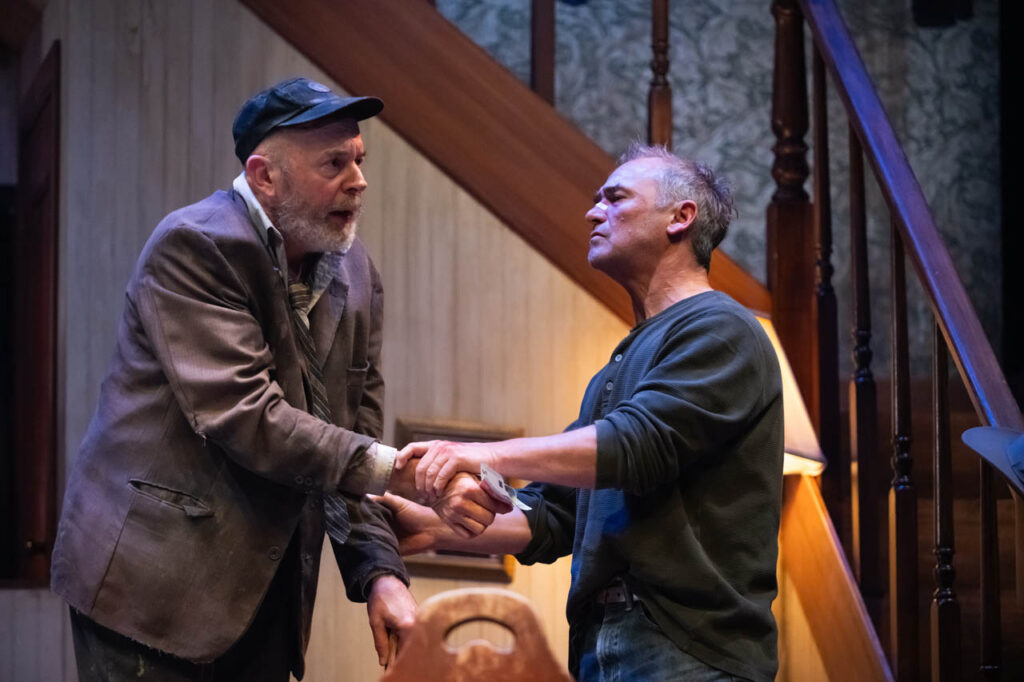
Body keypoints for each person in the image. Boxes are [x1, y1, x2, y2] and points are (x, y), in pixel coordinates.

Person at [50, 77, 502, 681]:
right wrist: (410, 471)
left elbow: (352, 438)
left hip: (268, 591)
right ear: (265, 176)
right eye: (334, 163)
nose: (359, 180)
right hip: (153, 589)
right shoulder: (197, 244)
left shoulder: (356, 269)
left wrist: (380, 572)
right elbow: (247, 417)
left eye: (360, 160)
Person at [382, 144, 784, 681]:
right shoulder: (618, 366)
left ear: (681, 217)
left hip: (692, 648)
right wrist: (436, 528)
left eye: (615, 198)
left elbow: (635, 445)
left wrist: (477, 452)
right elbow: (558, 517)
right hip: (605, 645)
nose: (593, 212)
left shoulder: (722, 329)